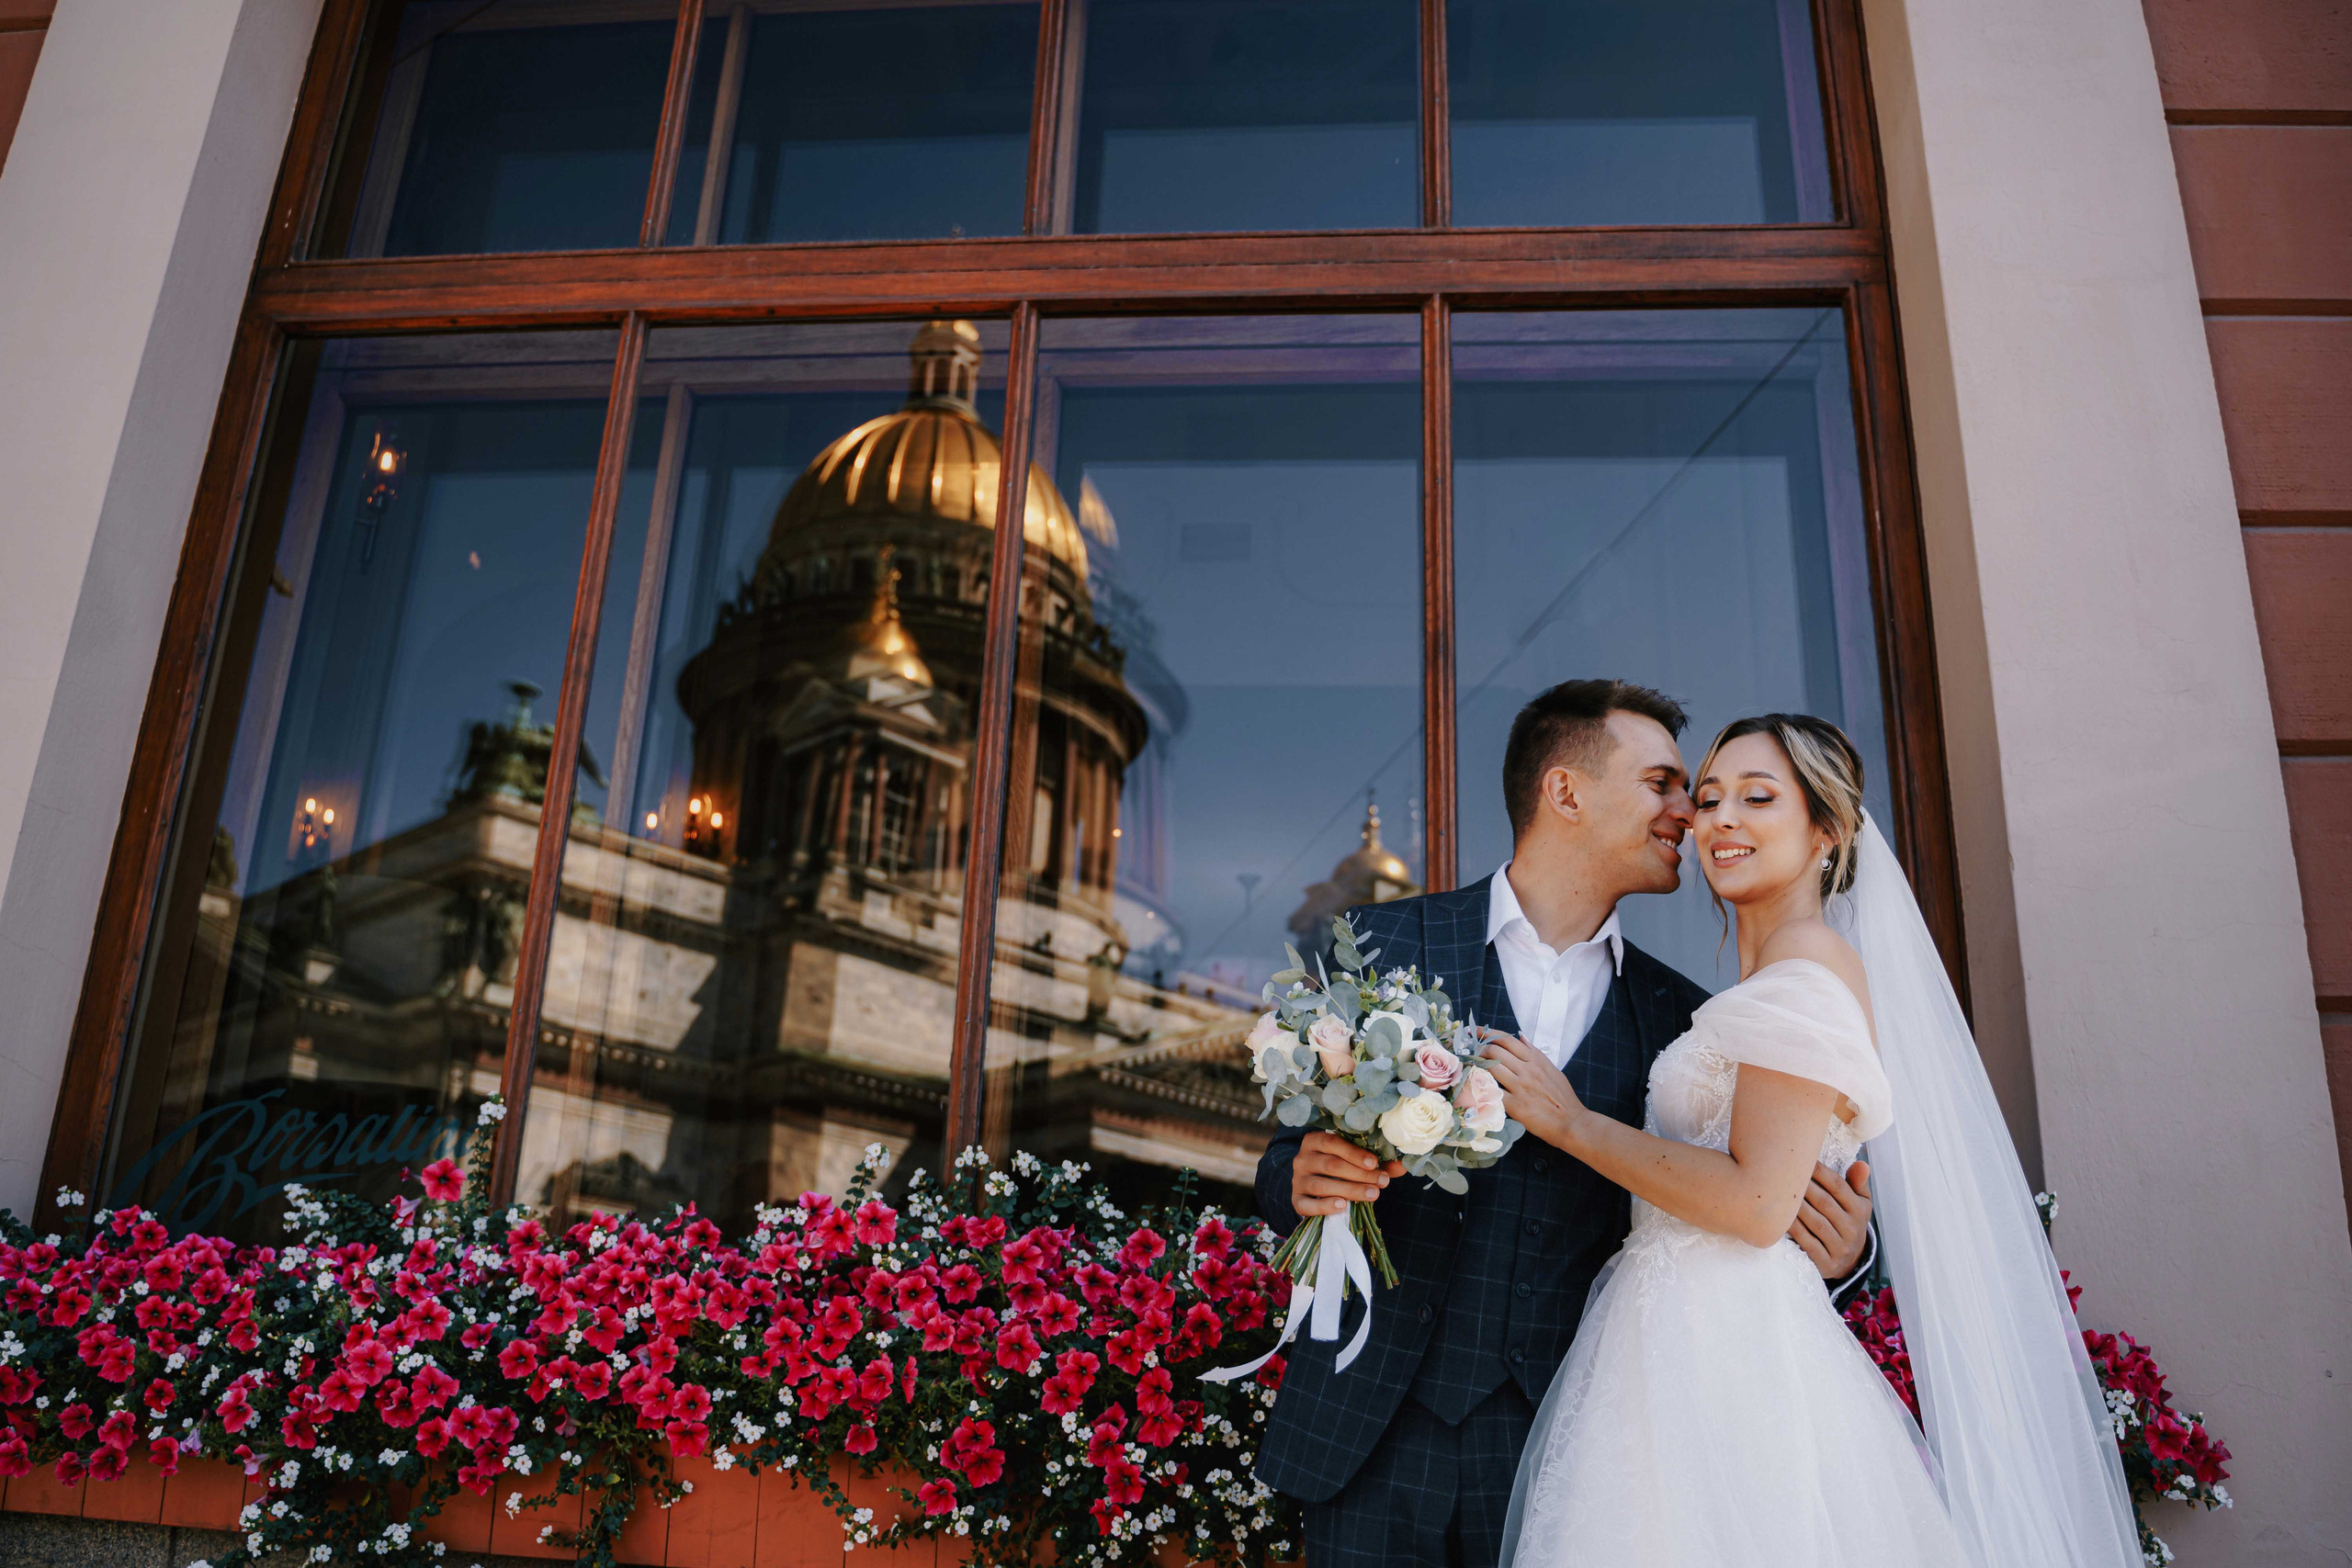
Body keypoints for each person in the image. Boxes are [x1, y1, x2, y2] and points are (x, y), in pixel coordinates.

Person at [1486, 714, 2142, 1567]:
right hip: (1672, 1339)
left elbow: (1758, 1204)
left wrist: (1572, 1123)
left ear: (1826, 831)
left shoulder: (1805, 963)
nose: (1720, 818)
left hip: (1734, 1349)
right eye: (1709, 798)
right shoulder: (1750, 984)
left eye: (1758, 798)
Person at [1251, 682, 1876, 1568]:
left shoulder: (1687, 1020)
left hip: (1567, 1448)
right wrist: (1300, 1177)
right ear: (1566, 791)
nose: (1689, 814)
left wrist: (1847, 1251)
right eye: (1665, 784)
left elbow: (1748, 1188)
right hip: (1372, 1433)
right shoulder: (1382, 944)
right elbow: (1282, 1157)